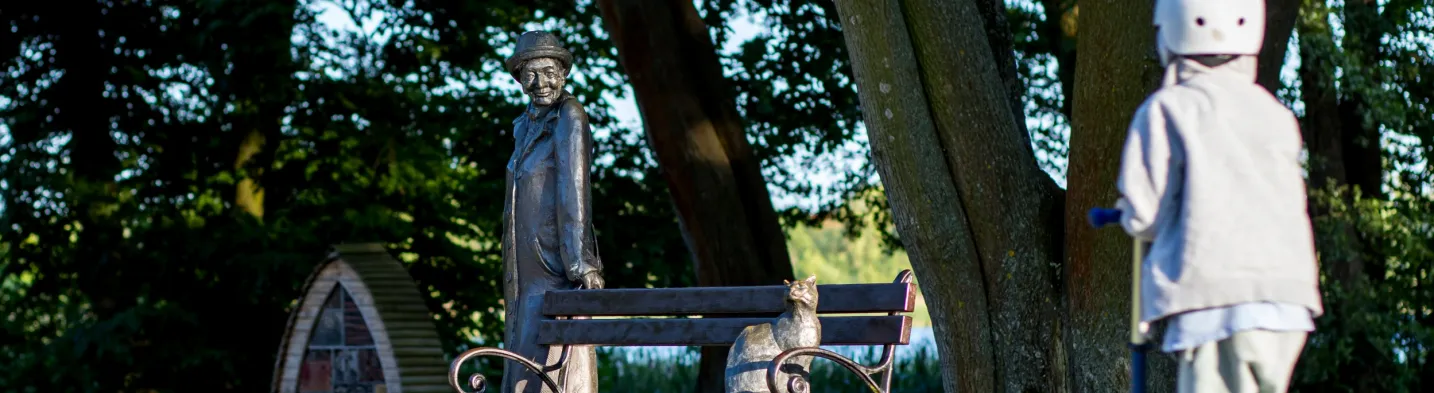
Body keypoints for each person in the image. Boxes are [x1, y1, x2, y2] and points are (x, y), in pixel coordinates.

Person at [1107, 1, 1324, 392]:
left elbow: (1144, 214)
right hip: (1288, 299)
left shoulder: (1166, 109)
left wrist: (1127, 213)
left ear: (1169, 33)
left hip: (1218, 301)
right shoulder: (1275, 114)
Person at [500, 30, 604, 393]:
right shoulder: (523, 124)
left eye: (548, 71)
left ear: (563, 73)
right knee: (523, 344)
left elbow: (573, 190)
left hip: (554, 261)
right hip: (524, 263)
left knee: (553, 357)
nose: (540, 82)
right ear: (519, 78)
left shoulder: (569, 116)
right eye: (530, 73)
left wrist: (580, 262)